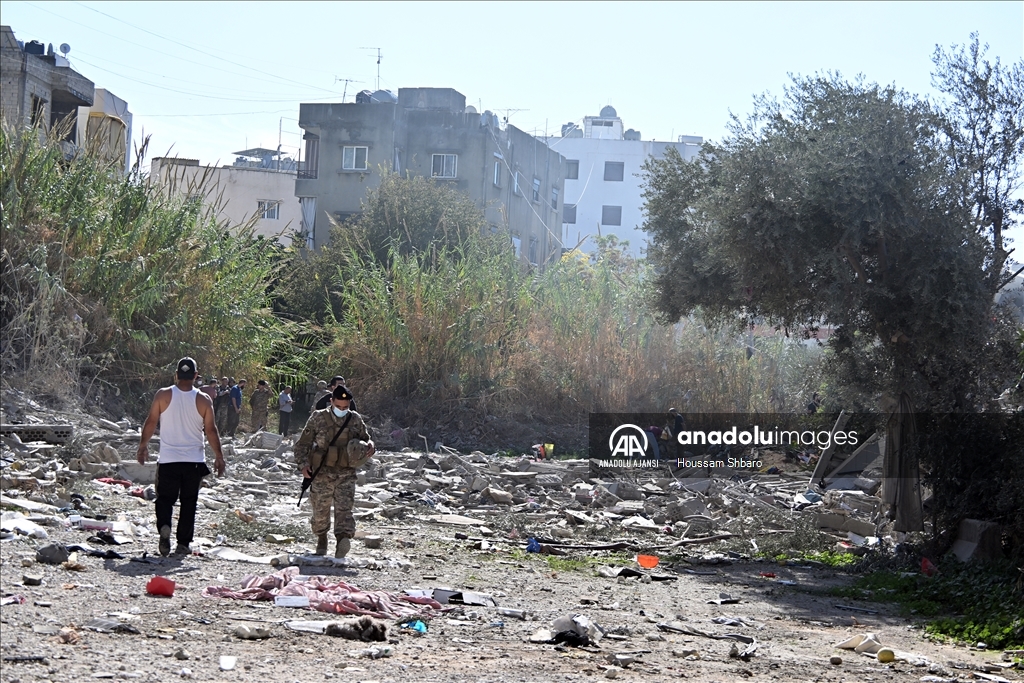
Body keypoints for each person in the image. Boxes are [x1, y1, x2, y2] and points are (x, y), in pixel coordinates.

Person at [136, 357, 225, 557]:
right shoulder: (203, 399)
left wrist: (143, 446)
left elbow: (151, 422)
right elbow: (211, 430)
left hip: (168, 459)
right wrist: (219, 456)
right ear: (195, 376)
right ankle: (183, 544)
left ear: (176, 375)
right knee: (188, 502)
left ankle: (165, 526)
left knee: (165, 499)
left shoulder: (163, 395)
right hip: (194, 461)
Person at [294, 386, 374, 557]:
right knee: (320, 510)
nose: (342, 410)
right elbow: (302, 445)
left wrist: (370, 446)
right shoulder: (318, 418)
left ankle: (342, 540)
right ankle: (321, 539)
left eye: (346, 407)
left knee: (345, 509)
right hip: (322, 473)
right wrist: (303, 465)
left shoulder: (355, 419)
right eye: (339, 407)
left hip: (346, 473)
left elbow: (366, 440)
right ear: (331, 402)